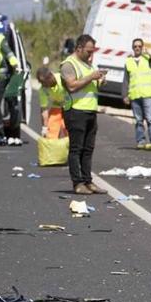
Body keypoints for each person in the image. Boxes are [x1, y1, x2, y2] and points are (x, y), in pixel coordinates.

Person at [60, 34, 107, 195]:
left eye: (93, 51)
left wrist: (99, 80)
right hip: (75, 111)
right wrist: (91, 77)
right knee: (76, 149)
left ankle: (88, 181)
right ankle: (77, 183)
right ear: (79, 48)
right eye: (88, 51)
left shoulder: (88, 65)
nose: (90, 55)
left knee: (88, 149)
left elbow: (90, 85)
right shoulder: (68, 64)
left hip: (90, 111)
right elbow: (72, 86)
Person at [123, 38, 151, 150]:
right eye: (135, 46)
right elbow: (126, 80)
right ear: (132, 48)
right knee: (139, 121)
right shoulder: (129, 61)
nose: (137, 48)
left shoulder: (148, 59)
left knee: (150, 119)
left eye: (139, 46)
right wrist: (125, 95)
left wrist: (148, 51)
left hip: (147, 94)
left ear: (142, 47)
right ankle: (141, 141)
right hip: (135, 95)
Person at [36, 67, 68, 139]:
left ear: (50, 77)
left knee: (68, 129)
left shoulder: (62, 78)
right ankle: (52, 147)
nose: (43, 85)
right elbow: (44, 110)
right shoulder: (43, 89)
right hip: (57, 106)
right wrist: (45, 127)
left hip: (70, 106)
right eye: (41, 83)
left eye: (44, 82)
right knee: (51, 130)